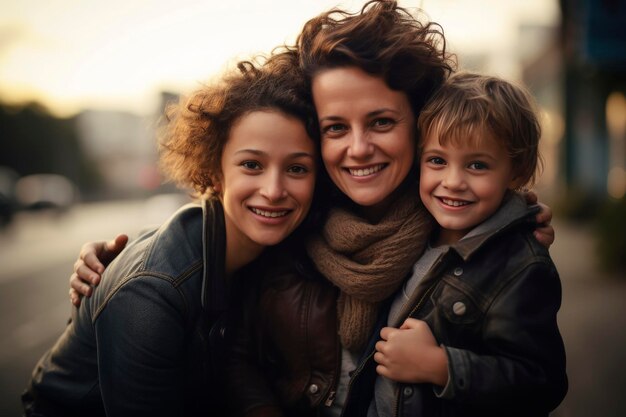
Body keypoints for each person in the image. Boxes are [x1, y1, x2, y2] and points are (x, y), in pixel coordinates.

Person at [67, 2, 557, 416]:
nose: (359, 148)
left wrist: (511, 218)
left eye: (381, 121)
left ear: (419, 122)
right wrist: (112, 276)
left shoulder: (462, 227)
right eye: (335, 128)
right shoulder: (296, 219)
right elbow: (213, 268)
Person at [21, 50, 320, 417]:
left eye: (297, 168)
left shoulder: (279, 250)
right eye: (251, 165)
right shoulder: (152, 291)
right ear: (214, 171)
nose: (274, 190)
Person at [360, 72, 568, 417]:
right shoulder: (412, 230)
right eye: (437, 161)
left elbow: (541, 382)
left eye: (477, 165)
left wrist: (440, 366)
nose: (453, 182)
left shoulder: (521, 266)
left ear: (516, 172)